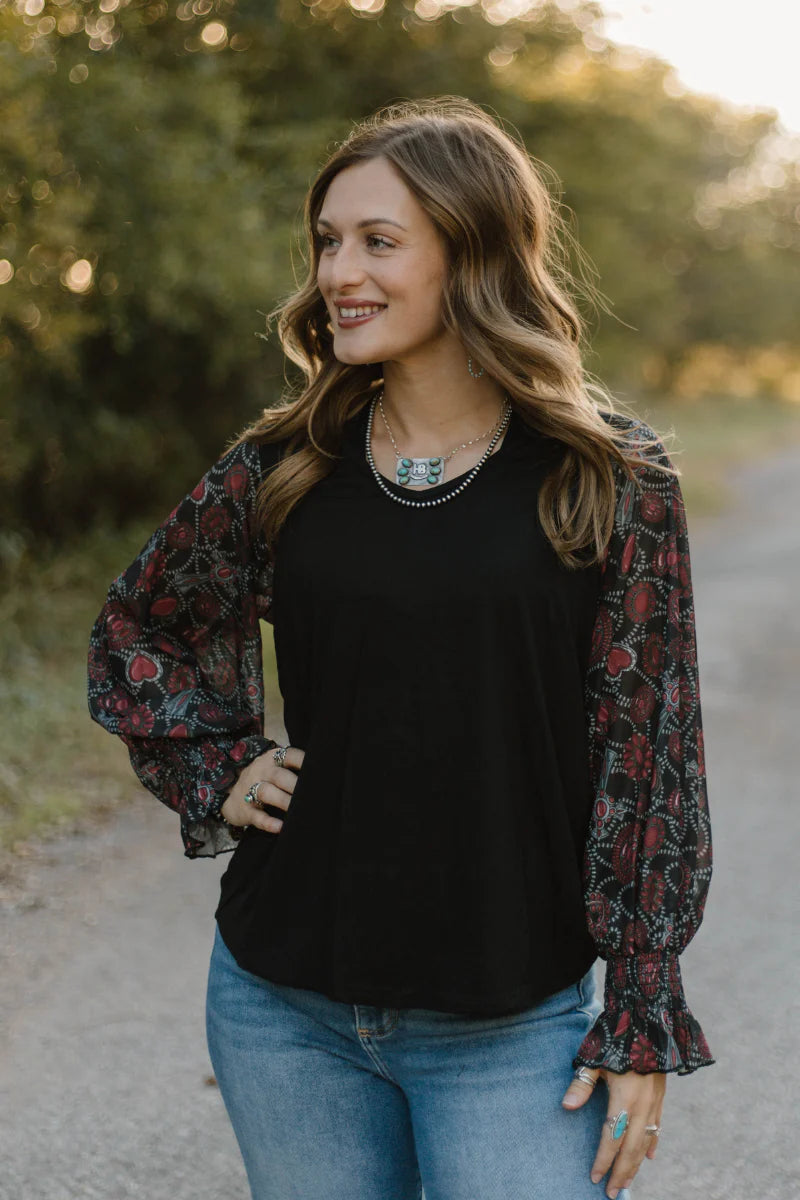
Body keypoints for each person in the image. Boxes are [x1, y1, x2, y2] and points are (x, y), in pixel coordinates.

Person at [87, 96, 714, 1200]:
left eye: (378, 241)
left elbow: (648, 757)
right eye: (328, 241)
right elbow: (140, 626)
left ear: (472, 255)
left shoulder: (607, 478)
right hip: (283, 1007)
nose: (339, 272)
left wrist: (639, 1002)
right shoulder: (285, 465)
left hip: (510, 1022)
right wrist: (219, 766)